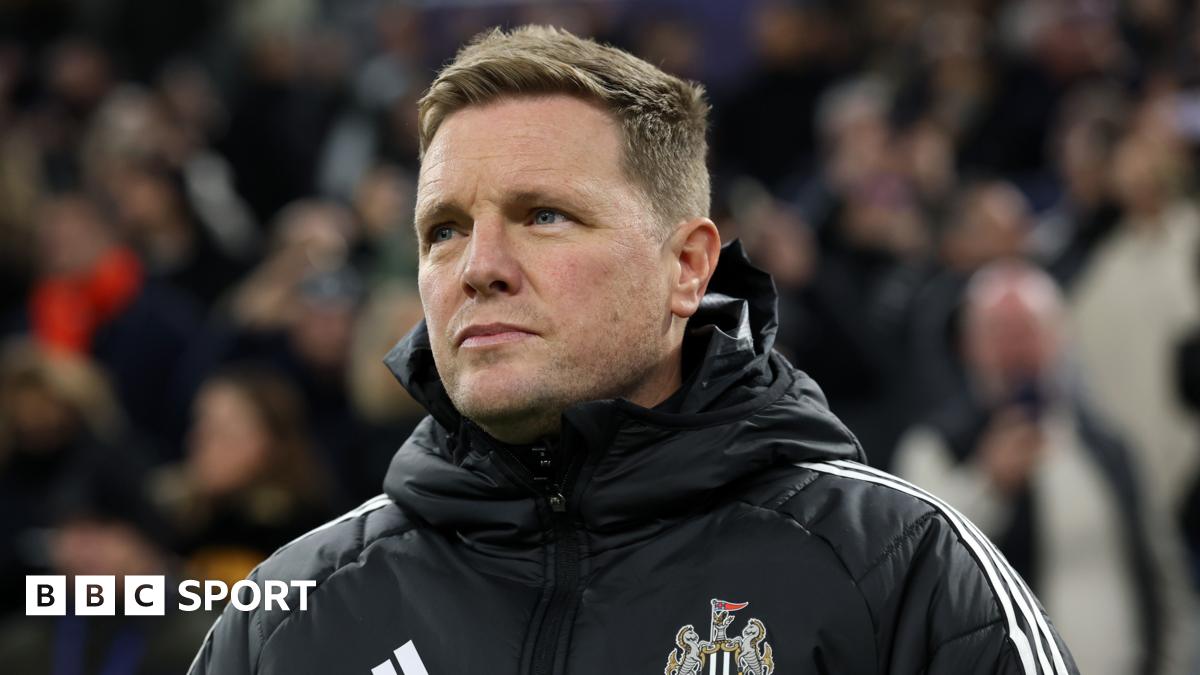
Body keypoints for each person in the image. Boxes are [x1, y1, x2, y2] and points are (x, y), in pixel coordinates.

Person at [189, 26, 1077, 674]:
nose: (478, 269)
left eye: (544, 215)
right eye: (444, 230)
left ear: (687, 266)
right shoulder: (289, 616)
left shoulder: (902, 570)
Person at [894, 260, 1195, 675]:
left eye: (1028, 330)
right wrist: (988, 485)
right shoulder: (936, 447)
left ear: (1058, 339)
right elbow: (915, 574)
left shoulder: (1107, 444)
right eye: (999, 331)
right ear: (969, 347)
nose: (1016, 348)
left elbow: (1165, 575)